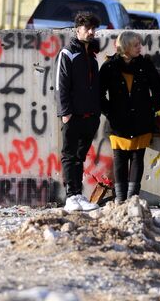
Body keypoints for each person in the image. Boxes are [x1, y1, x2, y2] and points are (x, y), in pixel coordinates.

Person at [99, 31, 160, 204]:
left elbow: (157, 88)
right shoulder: (110, 66)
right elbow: (98, 93)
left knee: (137, 158)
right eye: (135, 45)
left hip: (141, 120)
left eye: (139, 44)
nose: (139, 48)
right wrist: (109, 111)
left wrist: (152, 108)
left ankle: (132, 197)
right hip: (118, 122)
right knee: (119, 158)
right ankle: (120, 198)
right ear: (125, 47)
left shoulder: (145, 64)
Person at [56, 11, 102, 212]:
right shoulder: (68, 53)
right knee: (70, 155)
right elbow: (61, 85)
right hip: (73, 115)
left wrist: (96, 113)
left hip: (90, 116)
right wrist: (65, 112)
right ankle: (71, 196)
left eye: (93, 29)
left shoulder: (91, 56)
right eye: (87, 28)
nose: (91, 32)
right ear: (78, 30)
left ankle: (77, 194)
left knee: (80, 157)